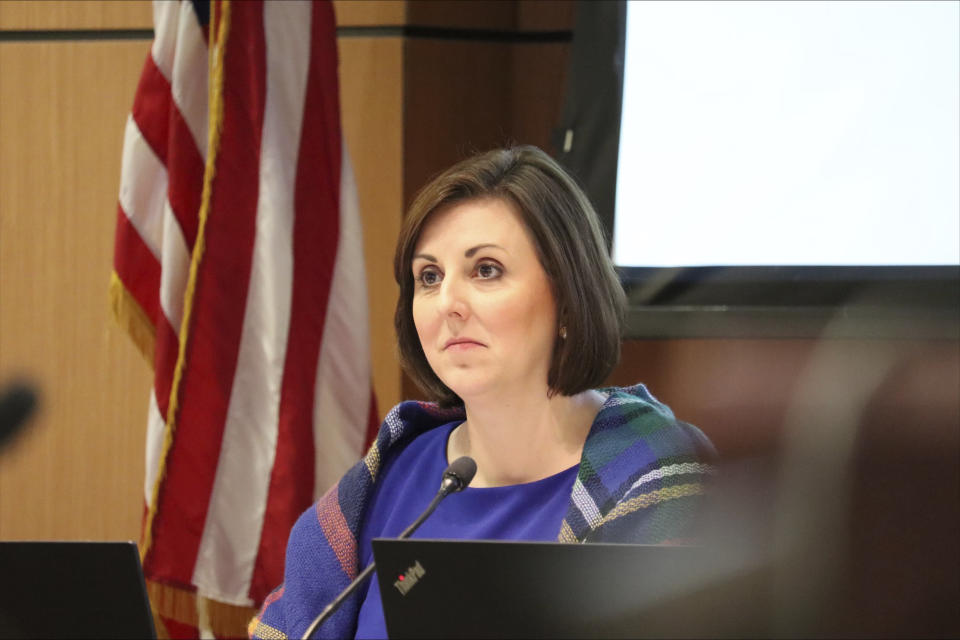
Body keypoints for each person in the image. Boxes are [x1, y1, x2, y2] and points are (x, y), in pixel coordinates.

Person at [249, 146, 715, 640]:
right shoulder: (391, 474)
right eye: (429, 277)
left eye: (486, 270)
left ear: (567, 298)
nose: (448, 302)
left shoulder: (655, 474)